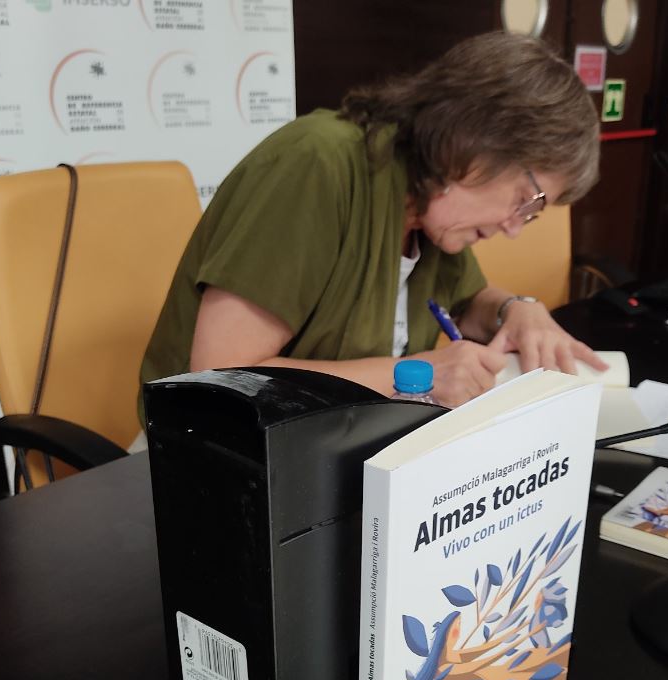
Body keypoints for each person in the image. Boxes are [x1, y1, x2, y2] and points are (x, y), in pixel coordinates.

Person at [138, 31, 606, 414]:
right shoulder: (317, 165)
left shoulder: (430, 219)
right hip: (209, 465)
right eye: (525, 200)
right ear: (473, 139)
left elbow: (465, 303)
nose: (514, 228)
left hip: (335, 457)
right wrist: (419, 376)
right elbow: (221, 375)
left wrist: (516, 310)